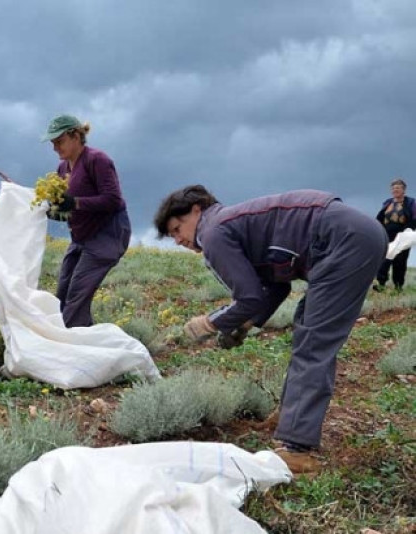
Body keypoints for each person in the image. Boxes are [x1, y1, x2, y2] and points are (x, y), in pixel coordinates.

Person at [153, 186, 386, 474]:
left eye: (177, 228)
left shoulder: (212, 232)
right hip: (351, 234)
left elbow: (248, 297)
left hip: (343, 240)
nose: (177, 240)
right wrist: (246, 323)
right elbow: (276, 285)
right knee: (307, 327)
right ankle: (290, 416)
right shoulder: (233, 224)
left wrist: (209, 323)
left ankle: (293, 448)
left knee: (315, 342)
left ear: (197, 209)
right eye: (172, 236)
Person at [41, 114, 131, 328]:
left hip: (107, 234)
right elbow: (67, 207)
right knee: (62, 293)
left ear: (76, 136)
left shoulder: (97, 160)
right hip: (81, 237)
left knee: (76, 296)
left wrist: (75, 203)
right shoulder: (62, 169)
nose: (55, 148)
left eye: (59, 141)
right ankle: (86, 346)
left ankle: (70, 349)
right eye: (53, 143)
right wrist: (51, 209)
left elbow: (112, 199)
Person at [374, 178, 415, 291]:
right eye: (393, 188)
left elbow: (414, 219)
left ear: (404, 190)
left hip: (403, 235)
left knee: (400, 261)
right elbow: (380, 218)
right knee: (384, 259)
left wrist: (408, 231)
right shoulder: (388, 203)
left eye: (397, 188)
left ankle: (398, 286)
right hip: (387, 234)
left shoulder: (411, 202)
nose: (395, 190)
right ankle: (381, 284)